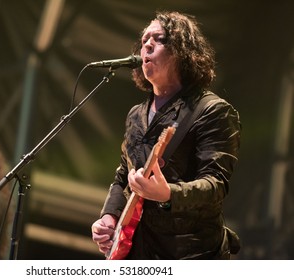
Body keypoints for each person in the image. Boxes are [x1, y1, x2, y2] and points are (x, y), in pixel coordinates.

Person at [91, 11, 241, 259]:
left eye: (159, 39)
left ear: (183, 51)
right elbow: (123, 175)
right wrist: (109, 216)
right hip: (139, 251)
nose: (147, 44)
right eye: (144, 40)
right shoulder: (136, 114)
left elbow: (215, 185)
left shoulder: (212, 111)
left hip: (190, 254)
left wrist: (167, 194)